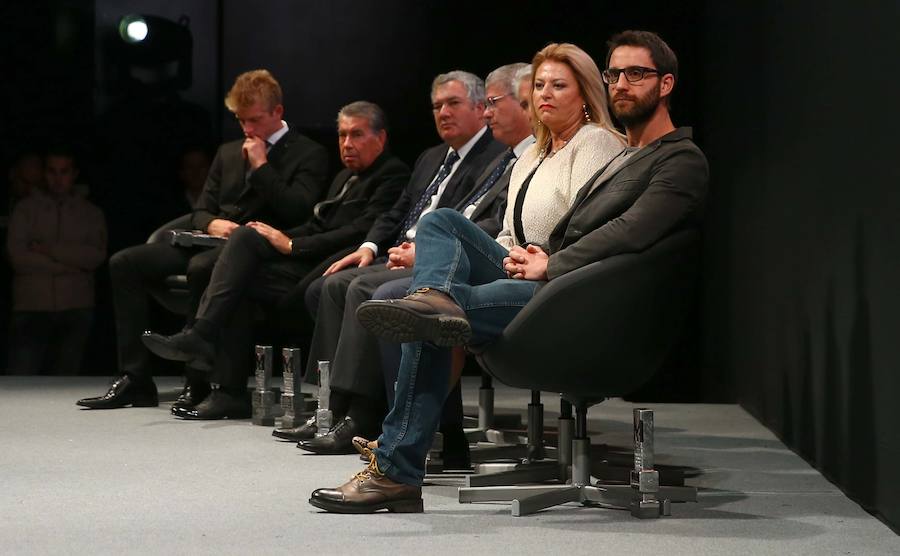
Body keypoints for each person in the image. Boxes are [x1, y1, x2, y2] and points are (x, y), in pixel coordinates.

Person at [309, 33, 709, 514]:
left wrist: (550, 263)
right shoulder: (625, 155)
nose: (622, 84)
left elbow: (631, 231)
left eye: (636, 74)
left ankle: (396, 468)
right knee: (440, 229)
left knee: (431, 316)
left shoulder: (680, 158)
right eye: (615, 74)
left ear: (666, 83)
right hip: (548, 281)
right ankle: (429, 322)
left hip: (580, 300)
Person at [277, 71, 506, 451]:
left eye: (453, 104)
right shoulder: (432, 156)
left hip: (438, 260)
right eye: (436, 106)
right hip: (399, 252)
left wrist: (424, 253)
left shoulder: (495, 157)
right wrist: (368, 246)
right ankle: (332, 407)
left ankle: (361, 415)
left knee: (362, 287)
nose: (442, 113)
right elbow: (397, 213)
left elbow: (479, 223)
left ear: (481, 108)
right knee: (331, 285)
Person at [139, 101, 410, 419]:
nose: (347, 144)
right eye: (342, 135)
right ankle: (225, 386)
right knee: (245, 241)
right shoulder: (344, 177)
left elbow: (356, 232)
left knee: (235, 266)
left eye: (357, 135)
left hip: (326, 266)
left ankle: (201, 338)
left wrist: (292, 244)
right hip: (307, 258)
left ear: (380, 138)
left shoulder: (393, 174)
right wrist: (274, 234)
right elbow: (316, 223)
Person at [76, 69, 328, 410]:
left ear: (278, 113)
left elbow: (299, 210)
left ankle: (197, 379)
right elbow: (201, 209)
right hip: (212, 242)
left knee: (200, 267)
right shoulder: (227, 152)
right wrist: (211, 224)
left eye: (254, 120)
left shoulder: (308, 153)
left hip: (259, 253)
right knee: (125, 263)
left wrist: (262, 166)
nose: (247, 130)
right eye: (241, 121)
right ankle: (135, 378)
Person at [359, 62, 538, 467]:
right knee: (435, 245)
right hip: (507, 258)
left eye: (551, 89)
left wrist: (550, 260)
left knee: (408, 302)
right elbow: (505, 225)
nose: (538, 103)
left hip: (550, 279)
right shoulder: (524, 158)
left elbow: (583, 231)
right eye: (534, 93)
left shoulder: (583, 150)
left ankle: (412, 447)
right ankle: (402, 438)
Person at [7, 147, 107, 375]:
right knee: (22, 381)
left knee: (67, 383)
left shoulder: (91, 213)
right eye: (52, 171)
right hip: (32, 306)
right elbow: (18, 257)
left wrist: (47, 249)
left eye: (64, 171)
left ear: (74, 173)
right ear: (44, 173)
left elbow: (95, 256)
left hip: (76, 306)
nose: (58, 179)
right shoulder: (25, 209)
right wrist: (71, 264)